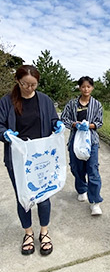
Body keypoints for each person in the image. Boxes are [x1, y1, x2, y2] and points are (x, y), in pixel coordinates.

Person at [0, 65, 64, 256]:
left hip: (41, 157)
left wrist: (57, 124)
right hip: (18, 159)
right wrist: (5, 134)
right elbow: (0, 124)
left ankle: (44, 232)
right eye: (25, 84)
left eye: (33, 85)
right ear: (18, 82)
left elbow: (53, 119)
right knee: (24, 198)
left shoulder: (44, 100)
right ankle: (28, 233)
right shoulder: (6, 101)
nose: (29, 88)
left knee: (44, 196)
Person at [61, 76, 104, 216]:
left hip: (91, 141)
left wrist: (89, 125)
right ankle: (81, 189)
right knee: (76, 167)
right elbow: (64, 118)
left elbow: (100, 122)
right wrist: (75, 124)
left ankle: (95, 202)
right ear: (79, 88)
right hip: (75, 140)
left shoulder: (97, 104)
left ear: (92, 88)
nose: (86, 89)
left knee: (93, 170)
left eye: (89, 86)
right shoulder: (72, 104)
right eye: (83, 86)